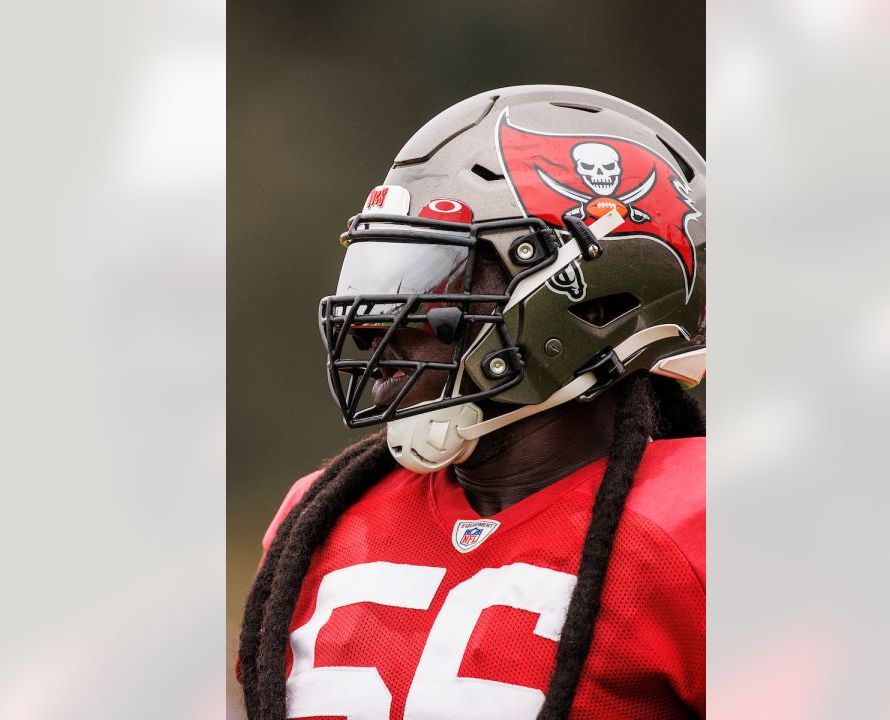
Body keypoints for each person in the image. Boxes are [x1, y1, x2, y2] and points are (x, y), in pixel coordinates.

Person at [238, 85, 706, 720]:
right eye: (381, 273)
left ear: (592, 305)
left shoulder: (703, 527)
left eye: (433, 275)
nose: (376, 321)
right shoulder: (320, 518)